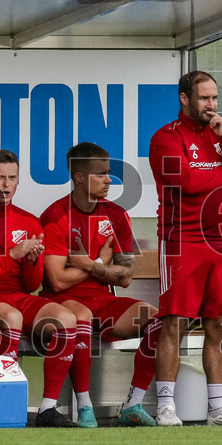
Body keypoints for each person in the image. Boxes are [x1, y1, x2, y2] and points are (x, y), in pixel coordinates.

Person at [148, 70, 222, 426]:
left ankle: (218, 409)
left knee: (219, 324)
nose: (211, 105)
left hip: (219, 243)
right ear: (185, 99)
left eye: (214, 97)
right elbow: (187, 182)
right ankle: (166, 407)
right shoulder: (166, 138)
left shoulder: (218, 135)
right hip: (181, 242)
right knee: (175, 323)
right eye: (204, 98)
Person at [0, 149, 91, 428]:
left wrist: (31, 262)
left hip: (19, 297)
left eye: (12, 178)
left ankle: (47, 408)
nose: (6, 185)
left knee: (66, 318)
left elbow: (31, 285)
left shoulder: (29, 221)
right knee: (11, 316)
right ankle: (5, 405)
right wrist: (12, 255)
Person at [39, 142, 159, 428]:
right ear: (79, 177)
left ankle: (133, 404)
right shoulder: (56, 216)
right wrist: (102, 263)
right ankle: (85, 407)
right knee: (79, 315)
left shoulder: (116, 214)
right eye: (101, 174)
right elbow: (57, 281)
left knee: (157, 319)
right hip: (63, 303)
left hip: (103, 302)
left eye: (109, 173)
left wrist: (90, 264)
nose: (109, 180)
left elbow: (126, 276)